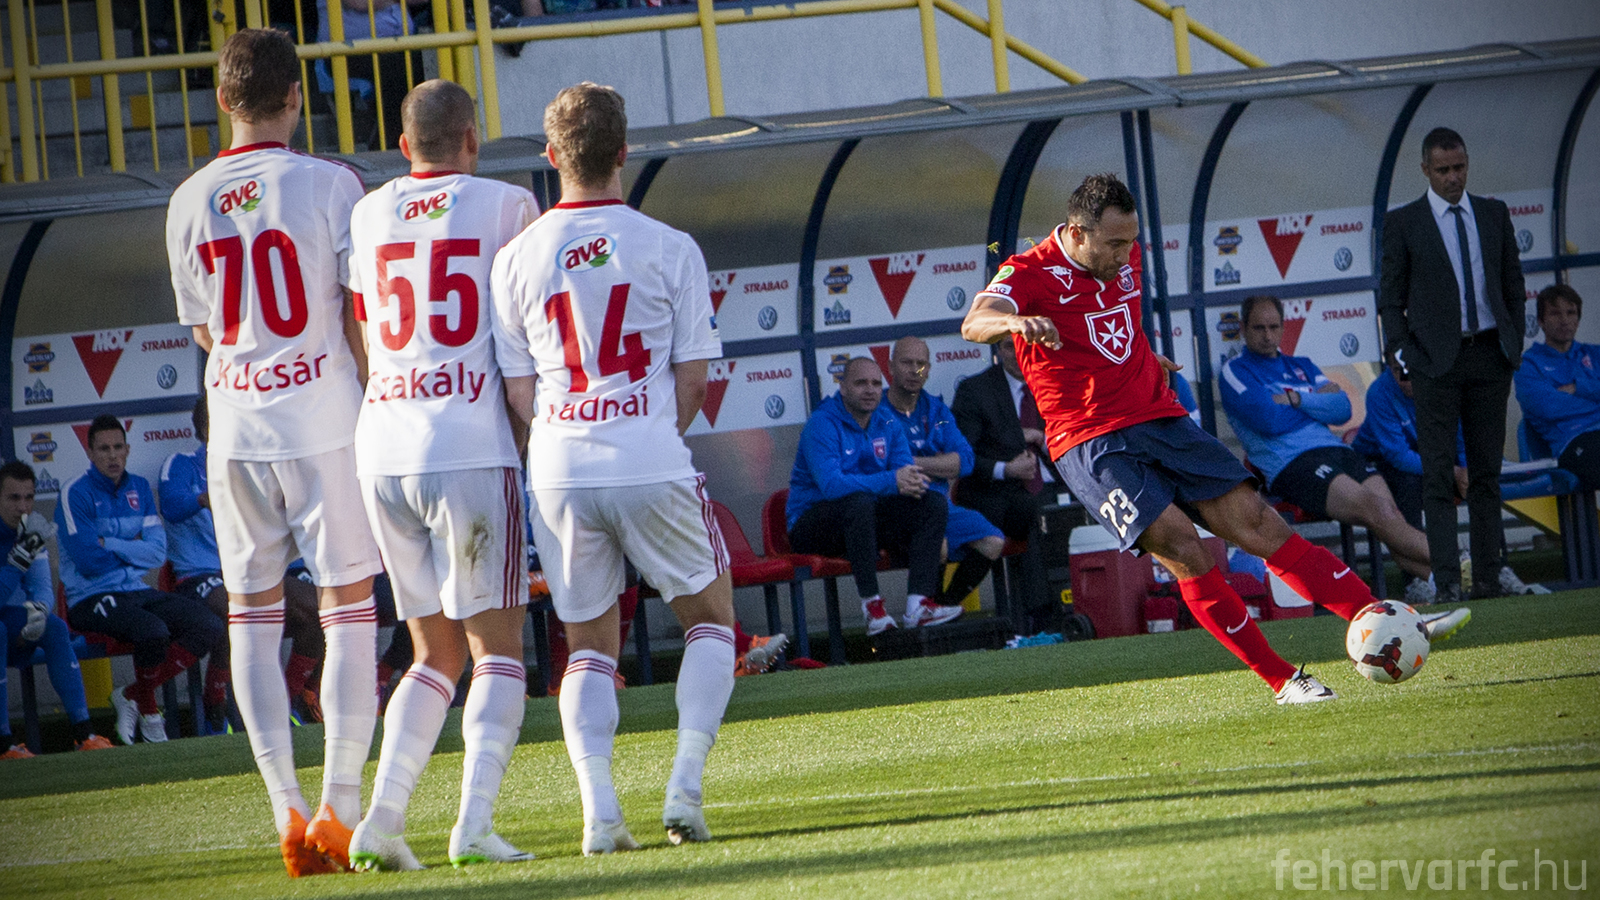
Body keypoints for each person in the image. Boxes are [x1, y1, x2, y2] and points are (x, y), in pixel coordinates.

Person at [961, 172, 1469, 705]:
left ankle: (1386, 622)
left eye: (1130, 242)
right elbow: (975, 321)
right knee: (1184, 546)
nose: (1124, 255)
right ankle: (1284, 680)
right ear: (1076, 233)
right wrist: (1015, 325)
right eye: (1113, 244)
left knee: (1259, 524)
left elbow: (1114, 328)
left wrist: (1143, 359)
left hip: (1158, 416)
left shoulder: (1123, 255)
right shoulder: (1029, 270)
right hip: (1092, 442)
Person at [493, 81, 737, 855]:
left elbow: (520, 394)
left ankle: (600, 811)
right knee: (712, 622)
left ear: (551, 155)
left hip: (559, 466)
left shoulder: (516, 257)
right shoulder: (670, 246)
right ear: (625, 152)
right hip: (648, 454)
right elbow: (693, 380)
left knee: (589, 646)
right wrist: (646, 435)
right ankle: (684, 786)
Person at [165, 28, 384, 876]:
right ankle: (340, 808)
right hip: (321, 420)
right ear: (296, 97)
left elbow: (202, 329)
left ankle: (285, 808)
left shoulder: (187, 199)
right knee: (347, 610)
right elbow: (358, 313)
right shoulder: (331, 183)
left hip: (235, 430)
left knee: (250, 619)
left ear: (223, 100)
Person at [343, 79, 539, 872]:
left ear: (402, 145)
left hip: (384, 443)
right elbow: (527, 335)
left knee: (434, 653)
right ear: (472, 138)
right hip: (467, 442)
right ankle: (475, 825)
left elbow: (361, 332)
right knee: (498, 651)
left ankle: (382, 820)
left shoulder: (367, 212)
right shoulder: (508, 205)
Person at [1378, 126, 1530, 603]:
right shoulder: (1404, 222)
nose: (1452, 177)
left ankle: (1488, 576)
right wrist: (1404, 353)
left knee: (1486, 473)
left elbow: (1513, 284)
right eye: (1443, 169)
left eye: (1459, 167)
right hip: (1434, 362)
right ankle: (1446, 582)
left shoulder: (1493, 213)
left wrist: (1512, 343)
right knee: (1439, 475)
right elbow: (1390, 300)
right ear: (1425, 169)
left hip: (1490, 354)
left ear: (1467, 164)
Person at [1220, 295, 1437, 605]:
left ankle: (1443, 580)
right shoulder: (1235, 371)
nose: (1267, 336)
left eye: (1273, 327)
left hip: (1337, 450)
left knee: (1390, 517)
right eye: (1258, 328)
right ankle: (1456, 563)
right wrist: (1316, 404)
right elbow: (1268, 420)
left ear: (1283, 327)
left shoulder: (1302, 365)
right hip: (1293, 464)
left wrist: (1296, 399)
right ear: (1242, 328)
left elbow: (1342, 409)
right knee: (1378, 511)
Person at [159, 395, 326, 733]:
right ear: (207, 428)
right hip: (201, 575)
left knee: (319, 608)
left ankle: (288, 702)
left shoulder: (251, 466)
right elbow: (172, 507)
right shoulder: (180, 464)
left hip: (253, 571)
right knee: (234, 612)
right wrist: (204, 498)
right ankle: (215, 712)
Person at [55, 416, 223, 743]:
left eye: (118, 447)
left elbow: (157, 553)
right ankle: (148, 709)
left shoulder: (140, 488)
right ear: (90, 453)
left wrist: (109, 542)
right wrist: (133, 548)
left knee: (209, 625)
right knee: (153, 631)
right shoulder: (75, 492)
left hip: (135, 589)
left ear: (128, 450)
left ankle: (133, 694)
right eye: (104, 449)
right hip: (89, 596)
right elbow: (88, 561)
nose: (112, 456)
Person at [787, 357, 949, 636]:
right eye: (861, 383)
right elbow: (832, 486)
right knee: (857, 502)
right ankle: (873, 608)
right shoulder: (822, 423)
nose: (870, 390)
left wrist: (909, 482)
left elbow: (904, 474)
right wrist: (892, 480)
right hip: (812, 525)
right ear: (843, 388)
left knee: (931, 502)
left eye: (876, 383)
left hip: (864, 518)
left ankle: (918, 606)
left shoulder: (888, 421)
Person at [881, 335, 1001, 626]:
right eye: (906, 363)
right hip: (897, 509)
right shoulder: (877, 411)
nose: (914, 370)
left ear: (929, 369)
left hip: (940, 506)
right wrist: (939, 465)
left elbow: (965, 461)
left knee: (993, 540)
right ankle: (926, 616)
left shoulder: (937, 411)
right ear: (891, 366)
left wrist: (915, 462)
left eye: (921, 364)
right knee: (940, 544)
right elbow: (882, 464)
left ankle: (944, 610)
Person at [0, 461, 114, 757]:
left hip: (9, 621)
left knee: (55, 627)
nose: (22, 507)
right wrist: (18, 560)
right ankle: (3, 743)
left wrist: (38, 613)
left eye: (28, 498)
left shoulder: (30, 530)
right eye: (13, 498)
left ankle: (84, 734)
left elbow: (41, 588)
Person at [951, 337, 1061, 630]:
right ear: (998, 350)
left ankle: (1076, 607)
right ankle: (1041, 619)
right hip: (995, 489)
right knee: (1032, 512)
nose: (1019, 353)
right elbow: (963, 455)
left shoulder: (1055, 383)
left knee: (1076, 510)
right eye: (1010, 346)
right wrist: (1006, 469)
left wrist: (1042, 440)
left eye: (1026, 345)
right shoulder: (976, 391)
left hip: (1056, 483)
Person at [1352, 353, 1469, 533]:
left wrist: (1466, 471)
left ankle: (1490, 546)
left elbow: (1461, 437)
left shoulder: (1445, 386)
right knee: (1409, 482)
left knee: (1478, 479)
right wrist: (1451, 471)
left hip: (1423, 452)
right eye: (1397, 370)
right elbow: (1398, 456)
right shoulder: (1379, 392)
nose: (1404, 379)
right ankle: (1416, 546)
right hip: (1379, 458)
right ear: (1389, 368)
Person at [1517, 285, 1600, 488]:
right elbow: (1550, 408)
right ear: (1540, 321)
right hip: (1573, 442)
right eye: (1555, 313)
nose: (1564, 320)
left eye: (1570, 312)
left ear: (1578, 319)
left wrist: (1578, 388)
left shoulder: (1595, 354)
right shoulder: (1528, 365)